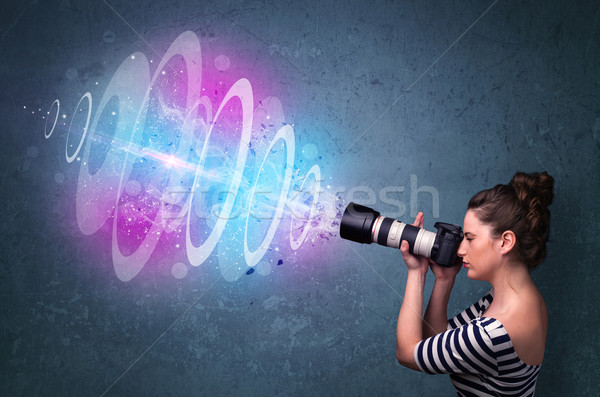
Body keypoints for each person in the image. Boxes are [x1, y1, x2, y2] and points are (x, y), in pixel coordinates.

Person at [395, 171, 554, 396]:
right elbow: (436, 339)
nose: (461, 249)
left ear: (505, 241)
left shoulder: (494, 332)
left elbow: (407, 353)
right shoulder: (517, 300)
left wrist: (416, 273)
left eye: (470, 238)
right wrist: (444, 280)